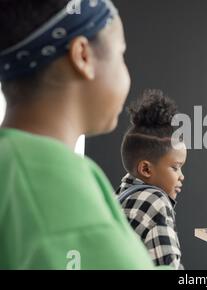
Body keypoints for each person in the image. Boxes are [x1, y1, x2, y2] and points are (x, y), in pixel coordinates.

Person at [0, 0, 157, 269]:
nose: (127, 74)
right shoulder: (48, 180)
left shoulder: (13, 162)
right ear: (83, 56)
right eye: (121, 55)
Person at [117, 90, 187, 269]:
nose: (181, 176)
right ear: (146, 169)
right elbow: (169, 265)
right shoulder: (156, 202)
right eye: (175, 167)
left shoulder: (118, 196)